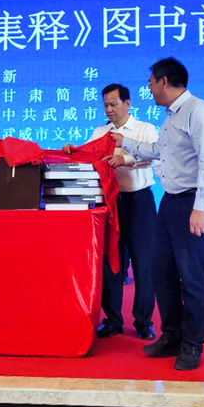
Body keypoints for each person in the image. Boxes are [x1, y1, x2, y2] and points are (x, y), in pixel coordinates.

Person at [110, 57, 204, 371]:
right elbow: (160, 151)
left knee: (192, 277)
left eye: (150, 83)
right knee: (162, 271)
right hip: (171, 201)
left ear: (163, 81)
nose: (149, 89)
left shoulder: (198, 111)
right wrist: (126, 143)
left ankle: (192, 344)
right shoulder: (172, 116)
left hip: (194, 202)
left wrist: (201, 208)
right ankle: (172, 335)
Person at [64, 83, 158, 341]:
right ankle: (113, 320)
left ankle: (143, 322)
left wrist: (124, 159)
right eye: (105, 105)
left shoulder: (145, 129)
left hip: (139, 201)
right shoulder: (100, 132)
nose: (109, 109)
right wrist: (73, 151)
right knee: (110, 263)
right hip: (110, 204)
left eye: (113, 104)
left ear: (127, 104)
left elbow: (154, 156)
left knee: (143, 263)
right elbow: (87, 157)